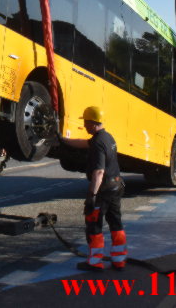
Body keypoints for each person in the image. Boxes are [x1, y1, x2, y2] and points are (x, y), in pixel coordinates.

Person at [59, 106, 127, 272]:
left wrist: (92, 196)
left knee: (94, 224)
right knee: (116, 224)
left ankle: (95, 262)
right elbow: (83, 143)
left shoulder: (97, 142)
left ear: (91, 122)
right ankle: (119, 261)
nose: (85, 126)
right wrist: (64, 140)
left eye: (86, 122)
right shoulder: (108, 137)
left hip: (103, 190)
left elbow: (98, 172)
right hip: (116, 187)